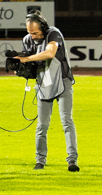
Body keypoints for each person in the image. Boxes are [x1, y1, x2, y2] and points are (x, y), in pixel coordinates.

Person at [16, 14, 78, 171]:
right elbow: (30, 65)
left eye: (36, 33)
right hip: (44, 82)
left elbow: (50, 53)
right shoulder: (28, 40)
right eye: (30, 33)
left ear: (42, 27)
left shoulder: (53, 33)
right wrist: (18, 65)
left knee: (66, 121)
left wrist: (27, 58)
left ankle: (72, 161)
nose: (33, 36)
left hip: (62, 81)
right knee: (42, 125)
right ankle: (40, 160)